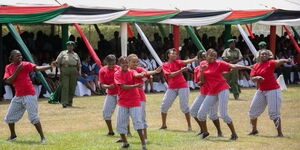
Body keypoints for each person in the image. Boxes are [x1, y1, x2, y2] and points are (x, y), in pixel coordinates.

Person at [3, 50, 56, 143]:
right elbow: (9, 81)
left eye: (20, 56)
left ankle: (43, 138)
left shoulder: (25, 64)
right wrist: (17, 70)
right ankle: (13, 135)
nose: (20, 57)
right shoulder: (8, 67)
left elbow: (37, 68)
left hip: (29, 94)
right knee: (9, 117)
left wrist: (50, 66)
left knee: (33, 118)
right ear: (12, 57)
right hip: (18, 96)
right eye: (17, 56)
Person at [197, 49, 251, 140]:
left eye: (214, 56)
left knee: (223, 114)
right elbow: (202, 81)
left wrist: (247, 67)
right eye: (211, 55)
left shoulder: (219, 63)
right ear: (206, 56)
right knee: (200, 114)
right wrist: (202, 71)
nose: (213, 57)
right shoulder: (202, 64)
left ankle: (234, 134)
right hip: (212, 91)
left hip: (222, 89)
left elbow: (232, 66)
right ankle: (205, 132)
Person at [248, 50, 291, 137]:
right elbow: (252, 78)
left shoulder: (270, 63)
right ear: (259, 56)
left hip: (273, 90)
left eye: (266, 54)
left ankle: (280, 134)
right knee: (252, 112)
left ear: (268, 56)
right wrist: (257, 78)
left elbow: (278, 61)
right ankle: (254, 130)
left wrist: (286, 60)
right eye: (262, 54)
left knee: (274, 113)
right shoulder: (255, 66)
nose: (264, 55)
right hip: (261, 90)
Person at [160, 48, 197, 131]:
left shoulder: (177, 62)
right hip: (172, 88)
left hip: (182, 86)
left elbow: (185, 62)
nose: (175, 55)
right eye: (172, 53)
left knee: (184, 107)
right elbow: (170, 75)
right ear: (168, 55)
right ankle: (164, 125)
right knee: (164, 106)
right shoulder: (165, 65)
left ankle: (189, 126)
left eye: (175, 54)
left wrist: (195, 58)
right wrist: (181, 70)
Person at [114, 56, 147, 150]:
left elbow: (137, 75)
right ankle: (125, 142)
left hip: (134, 101)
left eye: (126, 63)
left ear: (128, 63)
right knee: (120, 123)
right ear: (119, 64)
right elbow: (123, 86)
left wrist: (143, 74)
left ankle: (143, 144)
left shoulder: (132, 71)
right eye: (122, 63)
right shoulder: (117, 74)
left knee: (138, 122)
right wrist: (136, 85)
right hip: (123, 101)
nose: (124, 64)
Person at [127, 54, 162, 143]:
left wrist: (154, 71)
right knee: (126, 117)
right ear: (128, 62)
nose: (135, 63)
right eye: (133, 62)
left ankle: (145, 137)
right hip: (127, 98)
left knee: (142, 117)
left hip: (140, 97)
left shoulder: (139, 69)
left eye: (137, 62)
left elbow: (146, 73)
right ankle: (126, 135)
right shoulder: (125, 71)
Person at [189, 51, 223, 137]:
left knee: (213, 115)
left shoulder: (214, 66)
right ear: (199, 59)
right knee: (193, 111)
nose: (206, 59)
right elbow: (198, 82)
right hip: (203, 93)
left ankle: (219, 132)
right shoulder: (197, 69)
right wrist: (202, 74)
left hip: (213, 93)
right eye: (204, 57)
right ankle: (203, 130)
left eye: (207, 57)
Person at [56, 41, 81, 108]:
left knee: (72, 86)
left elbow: (79, 64)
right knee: (65, 86)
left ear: (73, 47)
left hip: (73, 69)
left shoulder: (75, 54)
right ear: (67, 46)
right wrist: (58, 71)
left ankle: (70, 102)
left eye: (71, 45)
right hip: (65, 69)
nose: (70, 47)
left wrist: (79, 72)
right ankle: (64, 102)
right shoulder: (63, 53)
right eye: (68, 45)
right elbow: (57, 63)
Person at [99, 54, 120, 136]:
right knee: (106, 112)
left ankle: (127, 131)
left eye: (113, 64)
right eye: (109, 64)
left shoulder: (119, 68)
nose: (111, 66)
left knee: (122, 113)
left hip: (120, 94)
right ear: (106, 62)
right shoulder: (102, 70)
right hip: (110, 94)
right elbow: (102, 84)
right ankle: (110, 131)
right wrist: (108, 86)